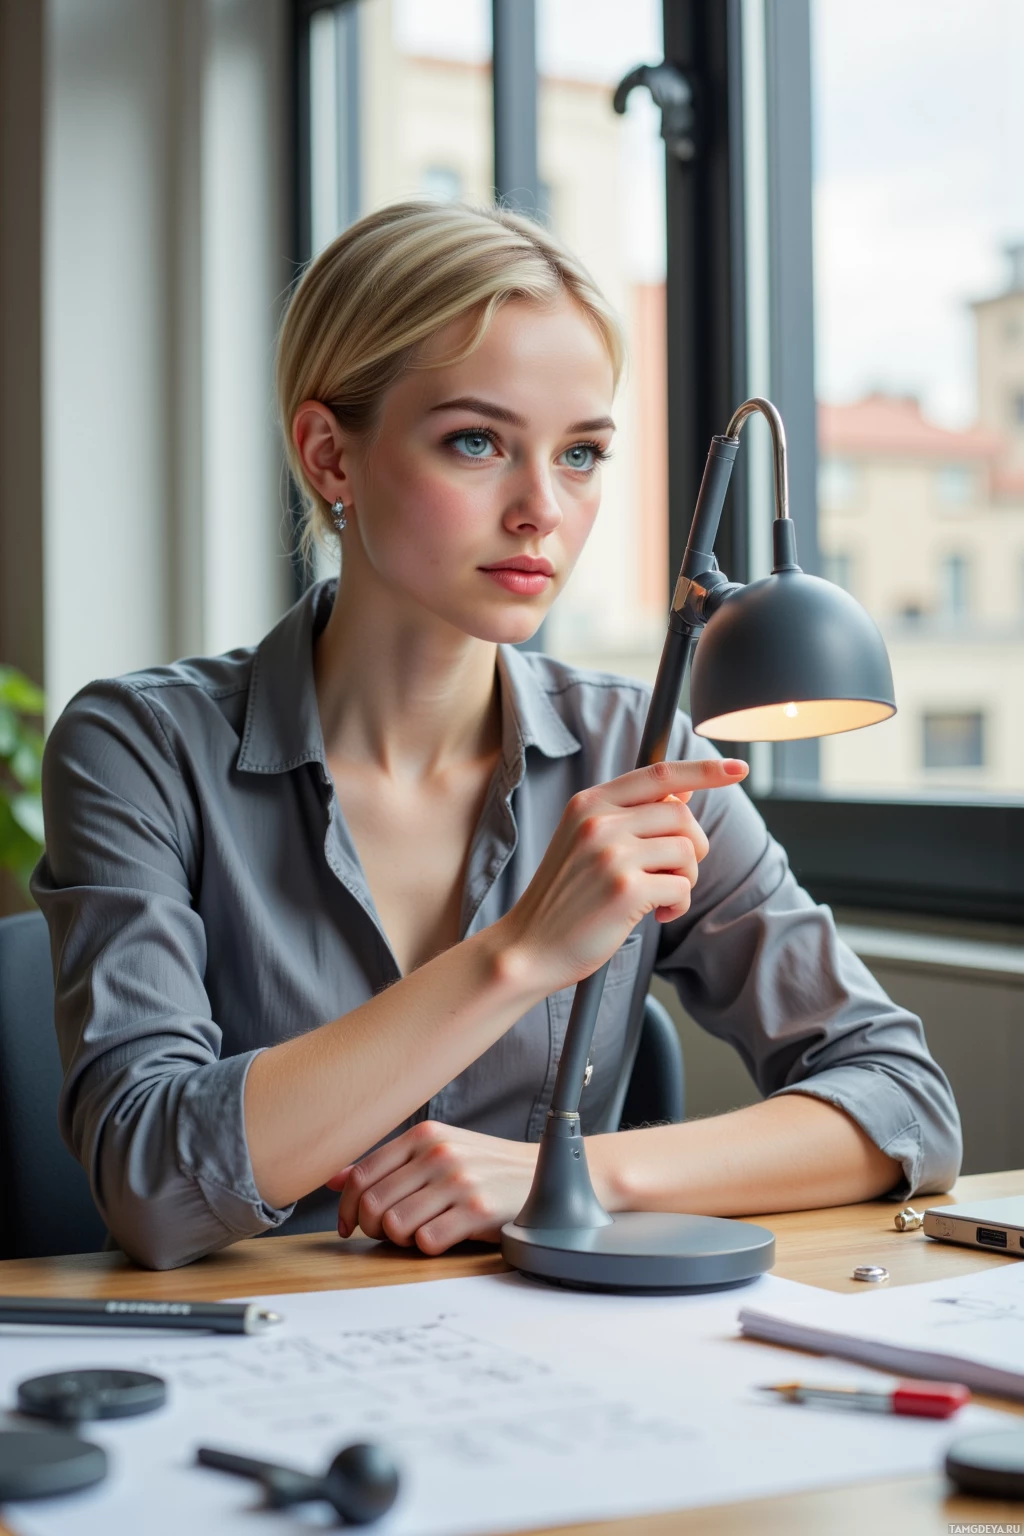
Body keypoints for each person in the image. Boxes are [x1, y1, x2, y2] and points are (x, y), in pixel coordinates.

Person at [32, 201, 961, 1271]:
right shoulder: (141, 747)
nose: (540, 510)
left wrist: (571, 1175)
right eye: (476, 442)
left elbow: (902, 1100)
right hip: (239, 1362)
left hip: (547, 1364)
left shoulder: (638, 748)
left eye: (579, 455)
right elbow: (149, 1182)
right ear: (330, 456)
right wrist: (517, 955)